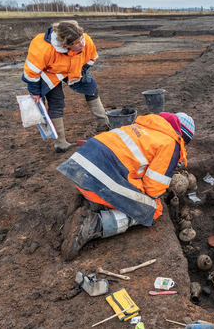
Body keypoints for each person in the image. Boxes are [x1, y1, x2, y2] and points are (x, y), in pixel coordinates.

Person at [57, 112, 196, 261]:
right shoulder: (171, 143)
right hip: (98, 178)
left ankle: (90, 202)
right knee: (153, 209)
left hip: (80, 171)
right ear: (183, 138)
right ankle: (92, 225)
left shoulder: (145, 125)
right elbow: (153, 189)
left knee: (129, 188)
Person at [22, 20, 111, 152]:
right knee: (56, 102)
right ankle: (60, 143)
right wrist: (34, 92)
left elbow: (92, 57)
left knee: (91, 88)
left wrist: (83, 71)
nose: (82, 44)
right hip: (50, 73)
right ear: (65, 45)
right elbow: (31, 73)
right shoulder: (43, 48)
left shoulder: (85, 41)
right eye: (76, 43)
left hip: (74, 68)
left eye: (81, 39)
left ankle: (104, 126)